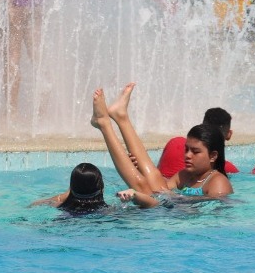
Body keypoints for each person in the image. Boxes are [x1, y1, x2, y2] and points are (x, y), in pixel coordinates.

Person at [89, 83, 233, 208]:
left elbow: (210, 213)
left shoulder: (218, 182)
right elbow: (158, 188)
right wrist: (139, 169)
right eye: (186, 149)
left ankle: (105, 123)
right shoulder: (185, 175)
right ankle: (120, 118)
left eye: (195, 152)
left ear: (213, 156)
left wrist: (175, 197)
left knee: (143, 187)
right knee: (151, 178)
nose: (187, 155)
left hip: (179, 219)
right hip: (169, 210)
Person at [156, 106, 255, 177]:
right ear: (229, 134)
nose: (188, 155)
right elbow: (252, 177)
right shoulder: (224, 168)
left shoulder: (175, 142)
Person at [29, 162, 108, 215]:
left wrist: (67, 194)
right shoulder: (108, 212)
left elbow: (33, 204)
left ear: (71, 187)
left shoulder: (57, 205)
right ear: (102, 187)